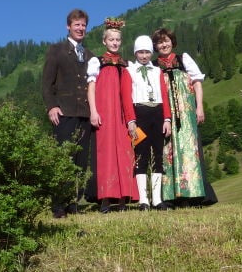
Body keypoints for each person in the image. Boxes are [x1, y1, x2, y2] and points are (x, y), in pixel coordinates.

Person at [151, 28, 218, 207]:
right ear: (156, 46)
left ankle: (193, 194)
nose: (164, 44)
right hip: (165, 116)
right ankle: (171, 196)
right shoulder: (153, 66)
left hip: (186, 113)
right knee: (168, 153)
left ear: (172, 42)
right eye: (160, 42)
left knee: (189, 151)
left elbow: (197, 83)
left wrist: (200, 107)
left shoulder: (183, 59)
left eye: (167, 41)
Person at [42, 8, 96, 218]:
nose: (80, 28)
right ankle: (58, 205)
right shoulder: (56, 50)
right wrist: (51, 106)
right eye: (77, 25)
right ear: (68, 26)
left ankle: (74, 203)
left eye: (83, 25)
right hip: (63, 112)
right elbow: (47, 83)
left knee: (81, 160)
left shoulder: (90, 55)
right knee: (63, 157)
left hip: (84, 114)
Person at [87, 18, 138, 213]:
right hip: (105, 113)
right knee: (106, 155)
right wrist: (93, 111)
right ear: (104, 41)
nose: (115, 42)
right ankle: (106, 200)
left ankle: (124, 199)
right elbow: (91, 88)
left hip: (122, 117)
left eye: (118, 40)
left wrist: (131, 119)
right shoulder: (97, 62)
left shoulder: (126, 65)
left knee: (124, 154)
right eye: (111, 39)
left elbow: (127, 94)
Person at [121, 35, 172, 211]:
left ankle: (157, 199)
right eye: (140, 52)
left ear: (151, 52)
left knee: (158, 154)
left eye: (147, 52)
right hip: (139, 113)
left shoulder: (157, 71)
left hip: (157, 112)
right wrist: (131, 121)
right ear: (135, 53)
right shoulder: (129, 71)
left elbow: (164, 96)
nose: (144, 56)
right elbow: (126, 97)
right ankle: (144, 199)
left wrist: (167, 119)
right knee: (141, 154)